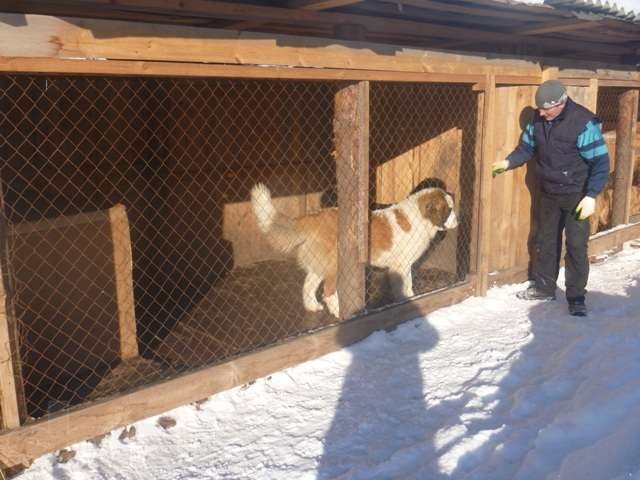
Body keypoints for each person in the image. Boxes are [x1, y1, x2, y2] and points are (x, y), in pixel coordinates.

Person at [492, 79, 609, 317]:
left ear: (560, 103)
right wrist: (508, 162)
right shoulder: (538, 119)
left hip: (577, 193)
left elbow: (600, 162)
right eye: (539, 108)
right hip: (549, 192)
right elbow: (527, 147)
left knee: (576, 245)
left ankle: (576, 297)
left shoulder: (582, 123)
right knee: (545, 241)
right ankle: (544, 288)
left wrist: (591, 196)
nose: (541, 113)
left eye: (546, 108)